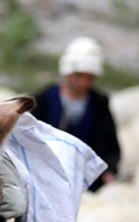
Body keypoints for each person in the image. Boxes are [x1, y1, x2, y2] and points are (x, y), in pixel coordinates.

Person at [30, 36, 120, 190]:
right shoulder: (43, 100)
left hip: (88, 183)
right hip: (47, 181)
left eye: (89, 78)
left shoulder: (99, 104)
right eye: (79, 76)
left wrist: (109, 171)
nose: (84, 83)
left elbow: (111, 145)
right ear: (67, 73)